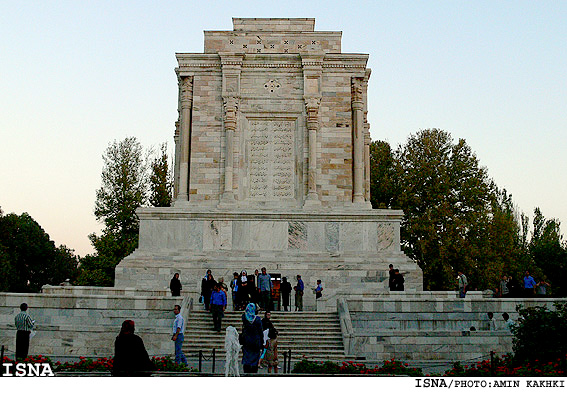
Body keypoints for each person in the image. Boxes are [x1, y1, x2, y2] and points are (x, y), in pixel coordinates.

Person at [240, 303, 264, 374]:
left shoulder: (244, 317)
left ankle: (246, 370)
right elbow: (260, 332)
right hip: (256, 340)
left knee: (246, 356)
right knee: (255, 358)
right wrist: (262, 342)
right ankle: (254, 371)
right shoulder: (257, 320)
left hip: (246, 340)